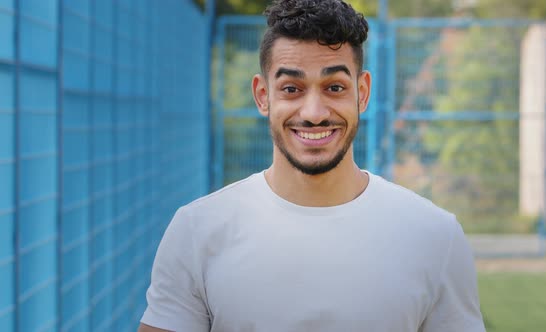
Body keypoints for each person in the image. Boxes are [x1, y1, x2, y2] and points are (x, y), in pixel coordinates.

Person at [139, 0, 486, 331]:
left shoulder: (435, 236)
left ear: (362, 93)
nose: (314, 113)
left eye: (334, 87)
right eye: (291, 88)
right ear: (263, 96)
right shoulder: (197, 231)